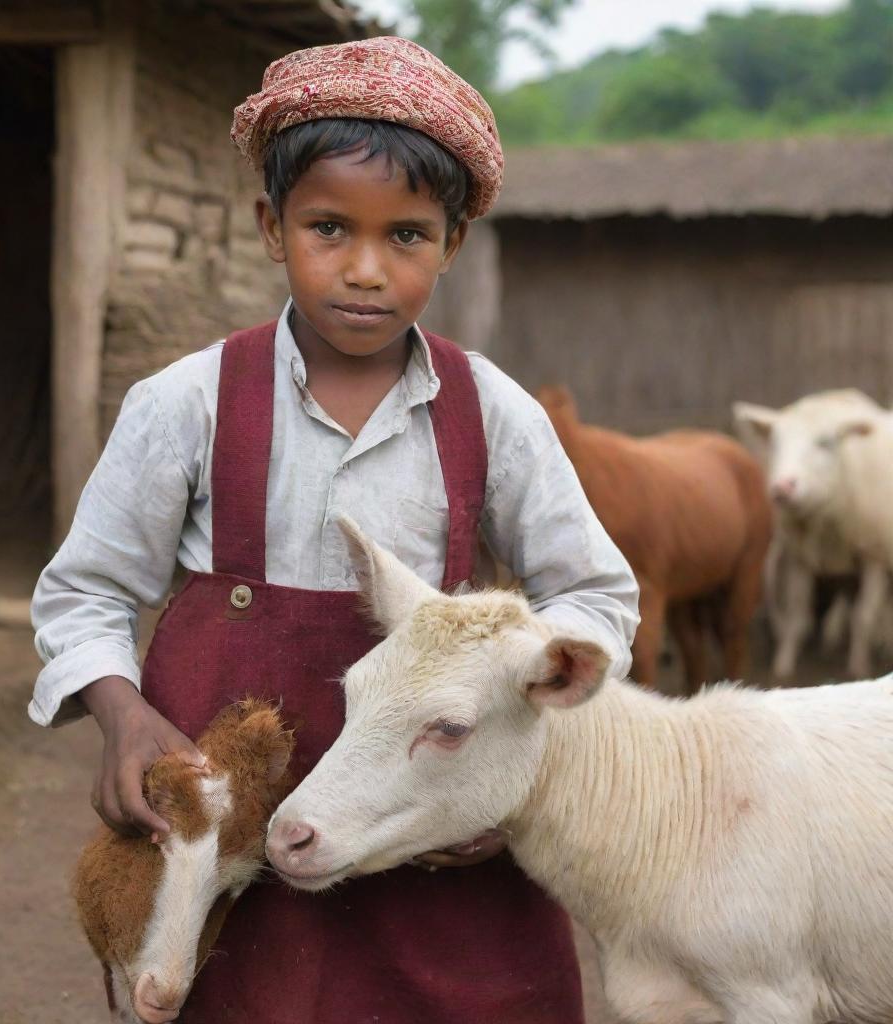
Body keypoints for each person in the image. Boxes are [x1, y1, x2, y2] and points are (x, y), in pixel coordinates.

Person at [31, 35, 639, 1024]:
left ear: (452, 242)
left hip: (438, 848)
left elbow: (594, 596)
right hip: (235, 845)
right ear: (273, 227)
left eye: (405, 235)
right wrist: (120, 712)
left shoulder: (493, 414)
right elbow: (86, 590)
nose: (365, 269)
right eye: (328, 228)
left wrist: (522, 766)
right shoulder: (183, 405)